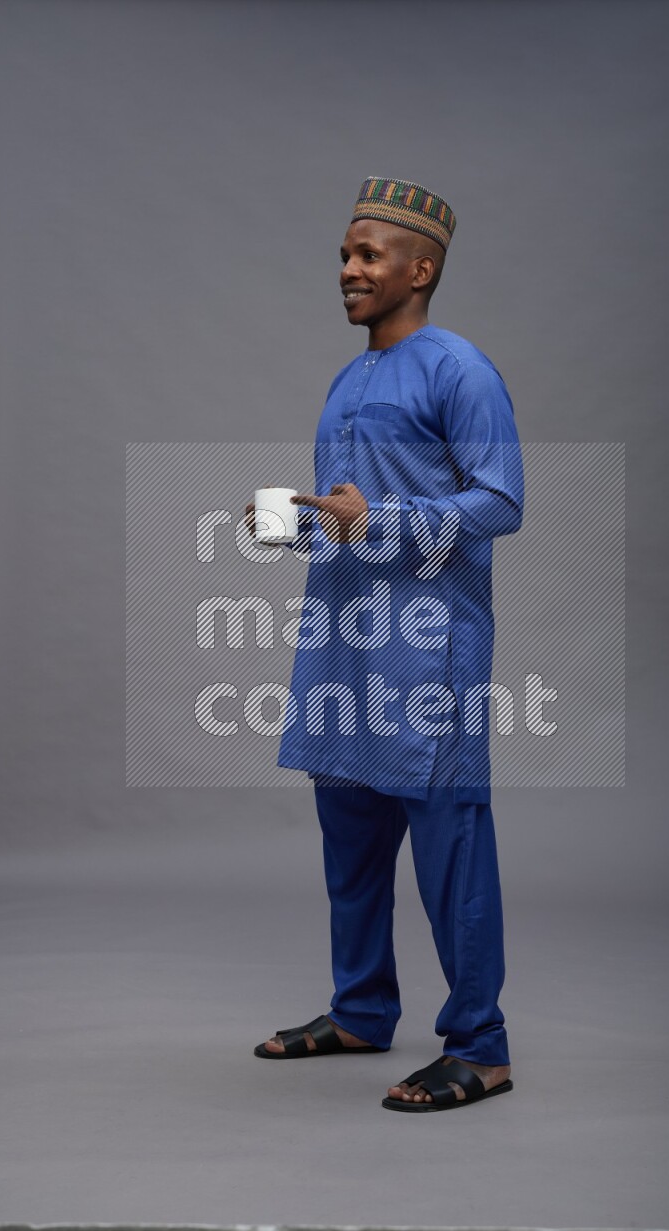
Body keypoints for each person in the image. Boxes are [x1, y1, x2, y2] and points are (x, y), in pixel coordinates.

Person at [250, 177, 524, 1112]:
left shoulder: (461, 369)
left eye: (367, 255)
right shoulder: (350, 379)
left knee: (448, 847)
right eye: (343, 255)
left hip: (426, 653)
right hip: (344, 647)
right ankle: (363, 1008)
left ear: (422, 267)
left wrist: (390, 516)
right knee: (351, 842)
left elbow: (501, 502)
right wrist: (295, 521)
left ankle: (480, 1046)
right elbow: (351, 516)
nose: (348, 270)